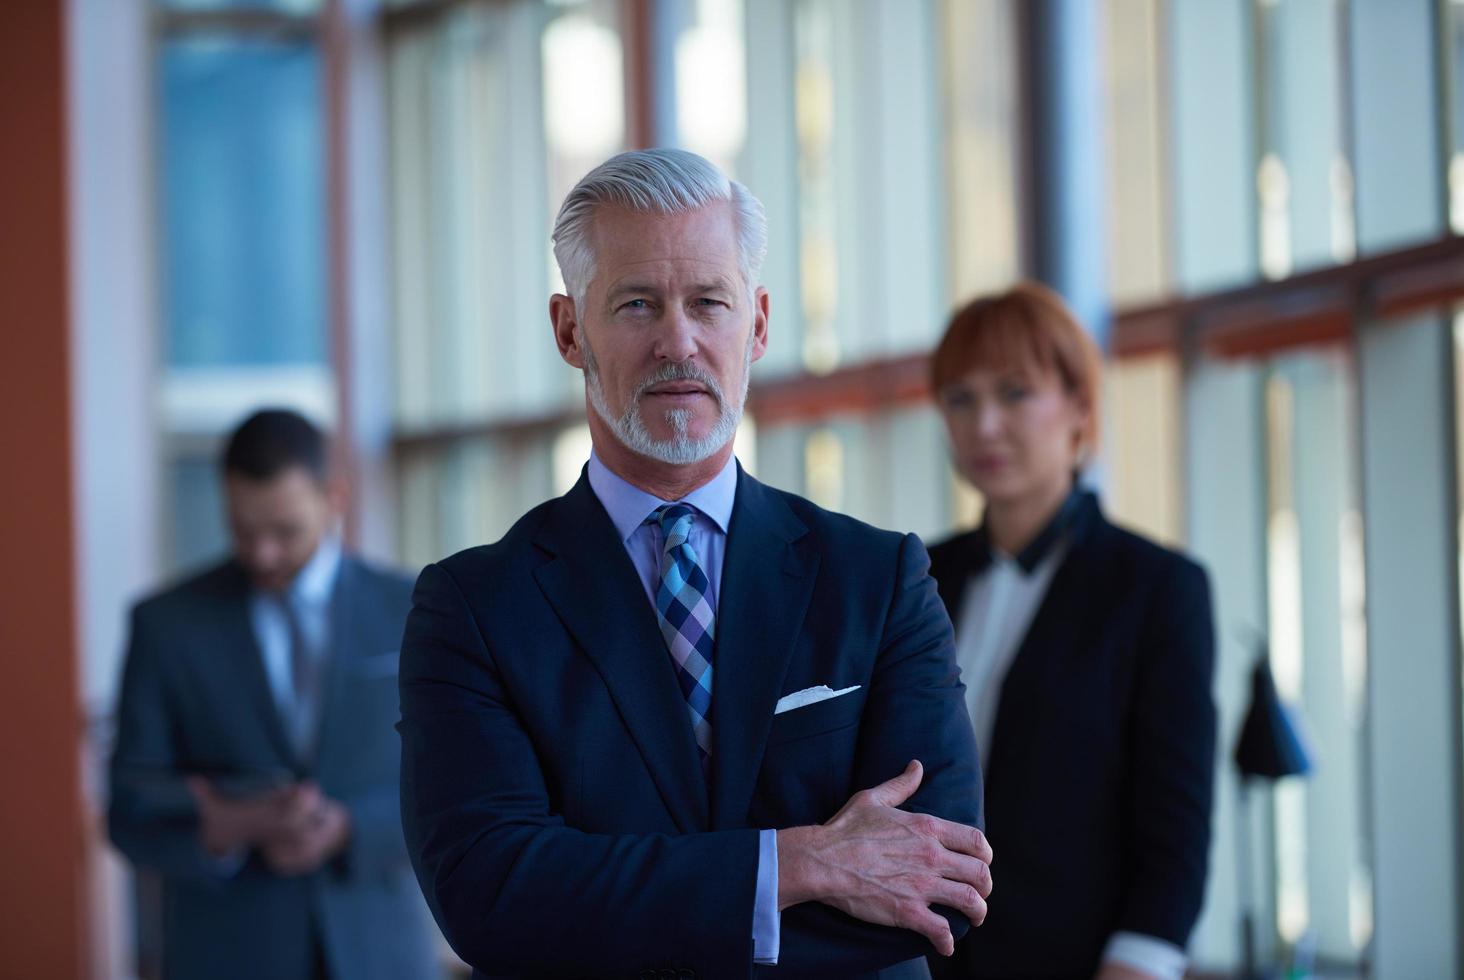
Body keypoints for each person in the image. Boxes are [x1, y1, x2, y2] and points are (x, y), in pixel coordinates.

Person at [398, 148, 991, 979]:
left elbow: (939, 885)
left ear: (755, 324)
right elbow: (491, 896)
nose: (678, 341)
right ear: (570, 331)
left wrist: (627, 903)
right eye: (636, 304)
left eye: (707, 303)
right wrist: (795, 865)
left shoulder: (878, 579)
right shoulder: (473, 607)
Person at [923, 283, 1216, 980]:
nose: (984, 425)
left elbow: (1173, 829)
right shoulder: (914, 576)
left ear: (1079, 406)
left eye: (1014, 393)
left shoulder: (1155, 588)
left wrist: (1137, 965)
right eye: (960, 400)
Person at [108, 409, 436, 980]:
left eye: (284, 532)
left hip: (381, 950)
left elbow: (458, 782)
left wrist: (349, 828)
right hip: (224, 952)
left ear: (334, 496)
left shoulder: (415, 607)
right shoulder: (165, 625)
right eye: (242, 530)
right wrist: (228, 823)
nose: (262, 554)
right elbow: (128, 808)